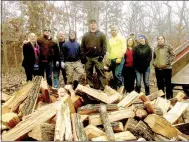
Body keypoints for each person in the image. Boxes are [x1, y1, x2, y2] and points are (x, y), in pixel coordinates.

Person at [80, 19, 107, 90]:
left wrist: (102, 55)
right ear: (89, 25)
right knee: (88, 73)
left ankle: (103, 88)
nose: (93, 25)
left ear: (96, 25)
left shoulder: (101, 34)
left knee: (101, 73)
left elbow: (104, 46)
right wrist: (83, 56)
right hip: (88, 58)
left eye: (94, 23)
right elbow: (82, 46)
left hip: (98, 57)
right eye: (91, 23)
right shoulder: (85, 35)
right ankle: (90, 88)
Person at [107, 26, 126, 91]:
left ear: (117, 31)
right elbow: (109, 51)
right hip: (112, 60)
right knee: (114, 76)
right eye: (112, 30)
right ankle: (115, 90)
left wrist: (120, 57)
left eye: (115, 30)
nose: (113, 31)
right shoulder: (110, 40)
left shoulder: (121, 38)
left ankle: (121, 89)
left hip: (119, 59)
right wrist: (108, 59)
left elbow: (124, 48)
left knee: (117, 74)